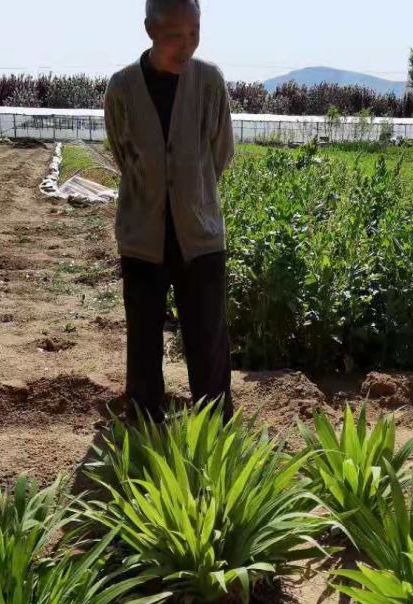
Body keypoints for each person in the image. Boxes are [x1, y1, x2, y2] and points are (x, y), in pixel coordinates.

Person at [104, 0, 235, 422]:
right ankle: (144, 424)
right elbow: (123, 153)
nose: (187, 45)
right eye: (175, 35)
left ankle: (214, 429)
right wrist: (156, 188)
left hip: (199, 233)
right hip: (143, 234)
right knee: (143, 339)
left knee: (207, 340)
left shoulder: (209, 81)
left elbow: (220, 152)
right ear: (150, 30)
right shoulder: (122, 87)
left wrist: (188, 192)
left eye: (194, 33)